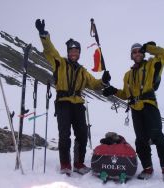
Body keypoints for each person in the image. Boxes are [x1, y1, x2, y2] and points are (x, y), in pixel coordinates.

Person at [35, 19, 111, 175]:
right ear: (68, 52)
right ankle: (65, 165)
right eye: (71, 50)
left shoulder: (83, 71)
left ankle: (79, 163)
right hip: (63, 103)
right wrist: (44, 35)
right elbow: (50, 50)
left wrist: (103, 81)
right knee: (64, 135)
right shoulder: (60, 63)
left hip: (78, 104)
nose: (74, 53)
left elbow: (94, 84)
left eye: (76, 51)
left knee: (82, 134)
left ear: (79, 53)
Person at [102, 42, 164, 182]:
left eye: (139, 51)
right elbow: (126, 94)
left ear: (143, 53)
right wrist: (113, 91)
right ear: (131, 55)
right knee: (141, 140)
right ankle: (147, 168)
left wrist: (148, 48)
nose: (137, 54)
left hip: (149, 105)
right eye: (134, 52)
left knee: (157, 136)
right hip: (135, 109)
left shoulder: (151, 65)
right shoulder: (127, 75)